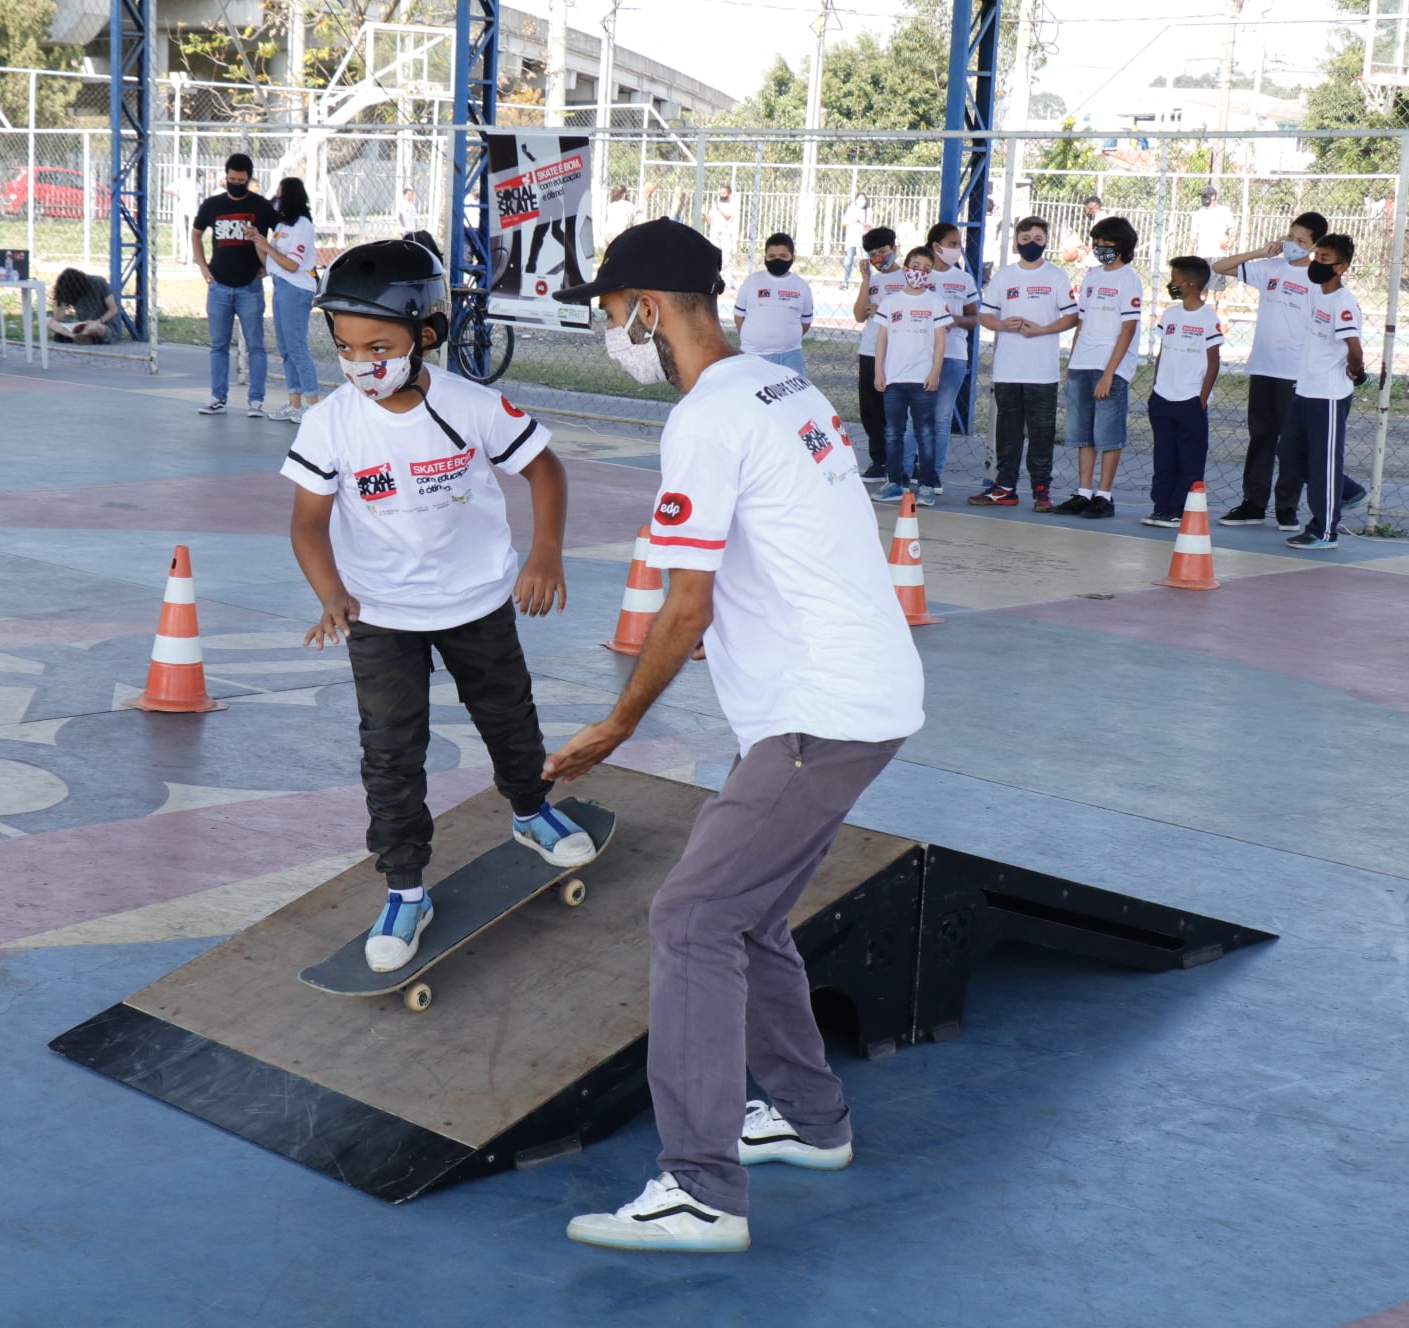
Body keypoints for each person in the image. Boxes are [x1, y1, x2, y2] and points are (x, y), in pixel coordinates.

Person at [543, 218, 923, 1254]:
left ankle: (700, 1187)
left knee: (692, 918)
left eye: (610, 313)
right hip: (851, 694)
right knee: (744, 919)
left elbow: (684, 605)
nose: (610, 331)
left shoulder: (709, 416)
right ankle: (808, 1115)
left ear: (647, 311)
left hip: (819, 713)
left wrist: (617, 723)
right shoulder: (779, 383)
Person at [284, 239, 594, 973]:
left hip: (477, 601)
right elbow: (306, 522)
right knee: (390, 755)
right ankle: (405, 888)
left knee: (509, 717)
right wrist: (332, 593)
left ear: (428, 335)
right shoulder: (330, 422)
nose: (361, 363)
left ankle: (530, 811)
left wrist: (546, 551)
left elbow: (543, 469)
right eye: (346, 346)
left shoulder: (470, 405)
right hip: (381, 615)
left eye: (379, 346)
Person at [1212, 211, 1364, 532]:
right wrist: (1259, 252)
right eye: (1290, 237)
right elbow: (1218, 267)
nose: (1292, 245)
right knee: (1261, 436)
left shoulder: (1316, 279)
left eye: (1301, 242)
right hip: (1264, 365)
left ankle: (1287, 507)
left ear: (1314, 246)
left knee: (1292, 444)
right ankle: (1253, 503)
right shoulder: (1271, 268)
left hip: (1296, 373)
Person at [969, 217, 1077, 509]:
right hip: (1008, 368)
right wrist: (1003, 325)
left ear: (1046, 242)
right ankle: (1005, 487)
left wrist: (1042, 329)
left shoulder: (1056, 276)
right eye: (1026, 238)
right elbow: (986, 315)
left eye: (1038, 239)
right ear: (1016, 241)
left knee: (1042, 431)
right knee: (1008, 430)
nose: (1032, 244)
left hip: (1042, 371)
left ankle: (1041, 490)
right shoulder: (1005, 276)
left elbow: (1071, 316)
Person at [1277, 235, 1370, 550]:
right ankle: (1344, 489)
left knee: (1324, 461)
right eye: (1316, 256)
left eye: (1325, 259)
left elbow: (1354, 347)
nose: (1317, 263)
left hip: (1329, 395)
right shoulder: (1318, 294)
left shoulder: (1343, 303)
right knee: (1289, 453)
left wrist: (1355, 370)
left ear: (1341, 267)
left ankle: (1325, 530)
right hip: (1305, 390)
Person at [1049, 216, 1143, 520]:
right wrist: (1073, 359)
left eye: (1107, 244)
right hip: (1083, 363)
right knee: (1082, 432)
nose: (1101, 248)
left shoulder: (1129, 279)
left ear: (1123, 246)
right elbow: (1082, 321)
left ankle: (1104, 495)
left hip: (1109, 367)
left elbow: (1127, 330)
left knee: (1108, 433)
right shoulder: (1091, 276)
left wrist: (1109, 372)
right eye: (1097, 243)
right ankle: (1083, 491)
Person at [193, 152, 278, 417]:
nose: (235, 183)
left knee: (256, 345)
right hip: (218, 286)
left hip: (250, 287)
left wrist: (269, 264)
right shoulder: (212, 205)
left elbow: (282, 233)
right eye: (231, 179)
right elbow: (196, 233)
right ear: (225, 176)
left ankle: (256, 401)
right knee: (219, 345)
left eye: (241, 180)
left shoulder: (262, 206)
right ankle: (218, 397)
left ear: (249, 179)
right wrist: (203, 266)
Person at [1141, 257, 1224, 527]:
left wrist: (1201, 398)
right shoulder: (1171, 315)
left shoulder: (1208, 319)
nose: (1171, 284)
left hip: (1190, 400)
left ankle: (1180, 508)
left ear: (1189, 284)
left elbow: (1213, 363)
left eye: (1175, 280)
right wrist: (1156, 388)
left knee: (1189, 457)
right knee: (1163, 455)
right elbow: (1164, 352)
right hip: (1163, 397)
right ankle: (1161, 505)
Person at [872, 246, 951, 506]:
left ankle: (927, 484)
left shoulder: (935, 303)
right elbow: (882, 339)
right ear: (906, 267)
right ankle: (895, 482)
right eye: (916, 265)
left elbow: (940, 341)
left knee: (925, 433)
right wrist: (879, 371)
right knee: (893, 432)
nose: (920, 272)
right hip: (894, 379)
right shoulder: (891, 302)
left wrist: (935, 372)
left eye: (927, 268)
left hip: (922, 380)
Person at [252, 176, 320, 423]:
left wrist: (268, 248)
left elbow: (292, 264)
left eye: (280, 195)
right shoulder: (282, 226)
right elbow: (270, 262)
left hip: (296, 287)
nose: (276, 200)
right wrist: (257, 241)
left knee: (297, 347)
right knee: (285, 348)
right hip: (280, 286)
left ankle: (313, 405)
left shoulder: (302, 225)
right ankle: (294, 403)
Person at [925, 221, 980, 497]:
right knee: (916, 414)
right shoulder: (919, 274)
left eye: (958, 245)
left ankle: (934, 471)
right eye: (951, 244)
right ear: (935, 246)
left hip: (953, 355)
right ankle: (908, 469)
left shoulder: (963, 279)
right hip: (918, 355)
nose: (956, 249)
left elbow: (974, 317)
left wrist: (955, 320)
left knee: (942, 416)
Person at [852, 226, 907, 482]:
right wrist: (865, 280)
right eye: (873, 254)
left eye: (883, 252)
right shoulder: (872, 280)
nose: (879, 259)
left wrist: (884, 310)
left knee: (895, 409)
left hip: (897, 351)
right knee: (871, 408)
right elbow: (859, 315)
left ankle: (904, 460)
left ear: (894, 250)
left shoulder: (907, 278)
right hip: (870, 350)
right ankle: (879, 461)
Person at [731, 232, 813, 375]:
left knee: (792, 397)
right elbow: (739, 316)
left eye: (783, 256)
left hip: (790, 356)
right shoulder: (751, 282)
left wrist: (787, 339)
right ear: (765, 258)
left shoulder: (802, 286)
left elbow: (805, 322)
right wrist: (752, 339)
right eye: (772, 256)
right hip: (752, 355)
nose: (777, 260)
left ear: (792, 258)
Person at [46, 267, 119, 344]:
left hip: (103, 325)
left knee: (94, 328)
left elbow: (113, 309)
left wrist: (97, 321)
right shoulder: (69, 290)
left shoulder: (99, 281)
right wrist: (61, 297)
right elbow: (58, 318)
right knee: (47, 321)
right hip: (82, 325)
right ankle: (77, 337)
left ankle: (75, 336)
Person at [1190, 186, 1237, 303]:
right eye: (1202, 196)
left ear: (1214, 197)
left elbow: (1233, 227)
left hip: (1218, 254)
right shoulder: (1199, 213)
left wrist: (1231, 240)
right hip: (1202, 255)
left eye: (1206, 196)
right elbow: (1193, 235)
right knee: (1202, 287)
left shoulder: (1223, 210)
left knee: (1218, 289)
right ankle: (1201, 313)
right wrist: (1190, 252)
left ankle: (1218, 314)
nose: (1203, 198)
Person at [841, 191, 872, 287]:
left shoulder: (868, 210)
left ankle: (869, 282)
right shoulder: (851, 209)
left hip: (863, 239)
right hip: (852, 239)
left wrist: (863, 223)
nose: (861, 201)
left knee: (866, 260)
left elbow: (871, 225)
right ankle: (845, 282)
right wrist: (854, 221)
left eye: (863, 199)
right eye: (859, 198)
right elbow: (844, 223)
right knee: (849, 261)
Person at [708, 185, 739, 264]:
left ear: (729, 194)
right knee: (714, 249)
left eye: (724, 193)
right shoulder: (716, 204)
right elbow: (710, 219)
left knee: (726, 251)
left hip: (726, 230)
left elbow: (727, 217)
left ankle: (726, 267)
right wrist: (705, 214)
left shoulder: (732, 204)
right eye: (720, 193)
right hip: (715, 229)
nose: (722, 195)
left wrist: (719, 209)